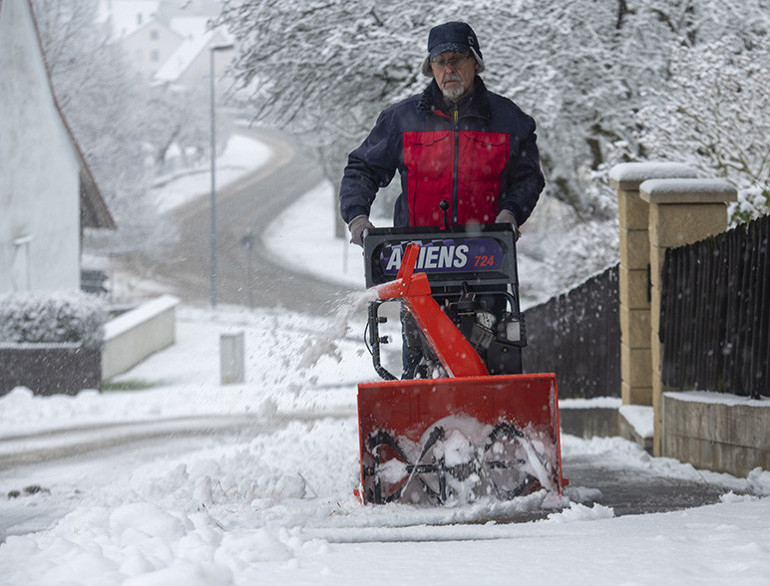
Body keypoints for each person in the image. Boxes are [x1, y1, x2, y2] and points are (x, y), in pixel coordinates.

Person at [339, 21, 545, 377]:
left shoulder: (509, 121)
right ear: (430, 68)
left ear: (475, 62)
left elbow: (528, 177)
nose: (448, 69)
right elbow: (361, 168)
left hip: (486, 263)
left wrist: (511, 213)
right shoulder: (401, 120)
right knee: (420, 369)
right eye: (439, 62)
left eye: (456, 59)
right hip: (419, 267)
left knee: (491, 368)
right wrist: (358, 218)